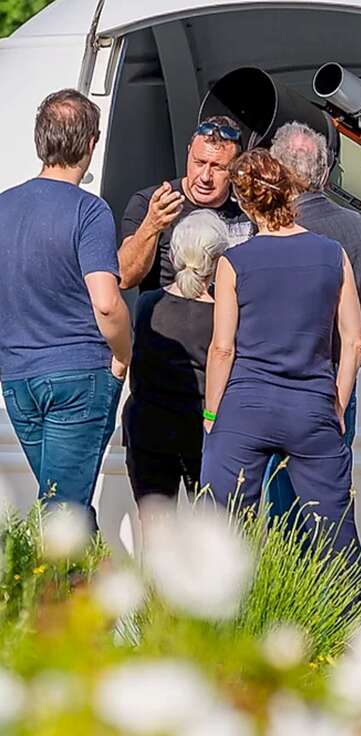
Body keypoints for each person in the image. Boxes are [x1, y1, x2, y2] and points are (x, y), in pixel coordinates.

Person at [200, 149, 361, 587]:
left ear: (245, 201)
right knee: (336, 535)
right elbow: (352, 339)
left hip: (246, 406)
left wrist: (211, 415)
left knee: (222, 532)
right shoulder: (333, 255)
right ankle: (354, 631)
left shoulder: (233, 263)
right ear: (290, 190)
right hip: (311, 406)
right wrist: (338, 402)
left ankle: (219, 633)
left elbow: (222, 349)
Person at [0, 90, 131, 525]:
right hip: (78, 375)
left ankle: (87, 589)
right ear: (91, 144)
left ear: (41, 140)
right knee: (64, 515)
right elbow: (107, 304)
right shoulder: (89, 212)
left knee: (61, 506)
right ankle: (60, 592)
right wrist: (122, 355)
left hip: (18, 379)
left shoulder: (3, 207)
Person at [266, 121, 361, 516]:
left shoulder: (272, 231)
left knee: (283, 509)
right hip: (339, 381)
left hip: (279, 384)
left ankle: (291, 579)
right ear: (324, 172)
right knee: (330, 504)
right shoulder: (357, 228)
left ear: (277, 171)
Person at [122, 211, 229, 511]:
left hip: (147, 430)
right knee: (209, 530)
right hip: (202, 432)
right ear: (218, 259)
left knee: (156, 530)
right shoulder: (222, 316)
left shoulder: (147, 304)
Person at [119, 116, 252, 292]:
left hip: (231, 316)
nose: (205, 177)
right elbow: (125, 278)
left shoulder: (247, 209)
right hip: (167, 315)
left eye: (218, 167)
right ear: (188, 153)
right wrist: (152, 225)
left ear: (235, 167)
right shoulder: (153, 203)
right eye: (199, 162)